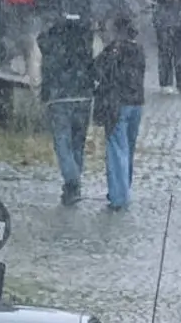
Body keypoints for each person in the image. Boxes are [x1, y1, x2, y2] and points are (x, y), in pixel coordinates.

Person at [37, 12, 95, 206]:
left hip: (59, 97)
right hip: (83, 96)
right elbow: (90, 65)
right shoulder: (85, 35)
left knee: (62, 142)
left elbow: (48, 67)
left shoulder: (51, 39)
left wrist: (45, 93)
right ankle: (73, 186)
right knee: (78, 142)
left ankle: (72, 181)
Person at [92, 17, 146, 210]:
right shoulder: (139, 50)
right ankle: (122, 188)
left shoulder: (114, 51)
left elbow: (97, 70)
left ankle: (118, 197)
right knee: (128, 150)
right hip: (137, 103)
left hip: (117, 104)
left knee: (116, 150)